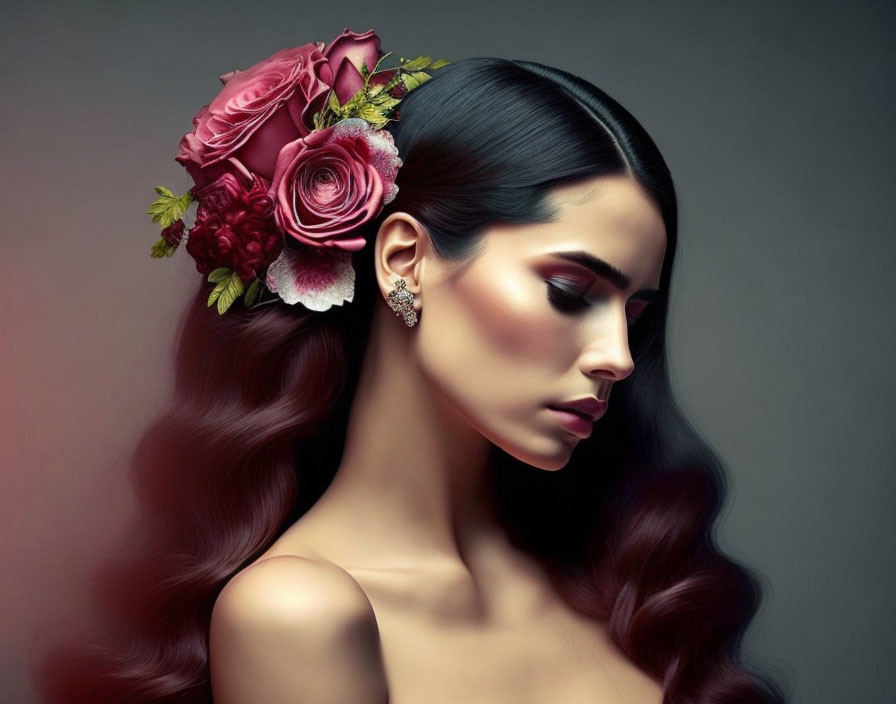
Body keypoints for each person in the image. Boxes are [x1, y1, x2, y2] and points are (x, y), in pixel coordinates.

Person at [30, 28, 789, 704]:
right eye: (570, 291)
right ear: (404, 260)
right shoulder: (299, 616)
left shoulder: (621, 583)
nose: (619, 359)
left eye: (636, 316)